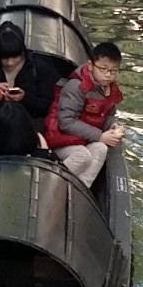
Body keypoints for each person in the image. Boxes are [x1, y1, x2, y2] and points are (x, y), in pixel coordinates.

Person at [45, 40, 124, 189]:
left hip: (84, 139)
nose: (108, 75)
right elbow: (66, 121)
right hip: (61, 140)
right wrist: (100, 136)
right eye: (103, 69)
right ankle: (51, 186)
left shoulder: (110, 89)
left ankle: (80, 190)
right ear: (90, 65)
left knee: (101, 149)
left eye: (113, 71)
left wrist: (112, 125)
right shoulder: (76, 87)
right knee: (83, 156)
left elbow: (107, 114)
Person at [0, 20, 55, 133]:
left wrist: (25, 99)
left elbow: (46, 106)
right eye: (4, 58)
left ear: (22, 51)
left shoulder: (39, 67)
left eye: (15, 57)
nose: (10, 63)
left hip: (29, 128)